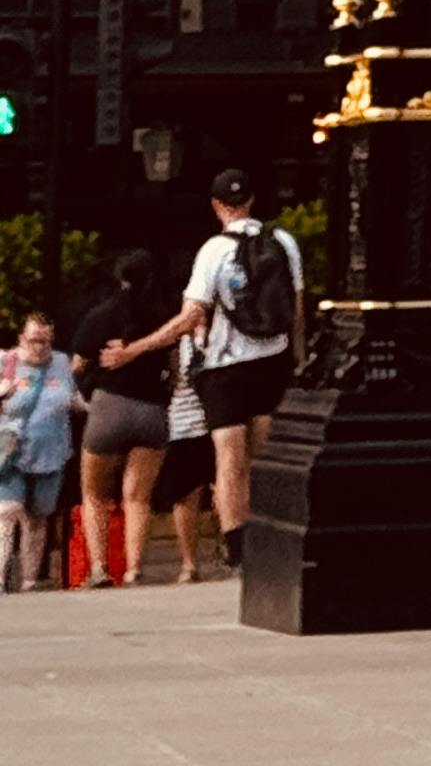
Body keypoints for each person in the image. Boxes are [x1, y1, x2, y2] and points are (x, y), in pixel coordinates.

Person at [100, 168, 303, 576]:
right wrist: (298, 358)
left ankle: (239, 549)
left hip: (226, 368)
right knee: (264, 457)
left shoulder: (213, 251)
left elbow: (189, 317)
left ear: (216, 206)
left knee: (229, 458)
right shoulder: (283, 241)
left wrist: (135, 350)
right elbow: (297, 308)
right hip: (273, 361)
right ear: (252, 201)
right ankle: (273, 535)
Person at [72, 247, 178, 590]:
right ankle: (134, 569)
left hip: (108, 407)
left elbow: (77, 365)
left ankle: (100, 568)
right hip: (151, 410)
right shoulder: (162, 317)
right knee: (138, 497)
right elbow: (175, 366)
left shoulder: (100, 315)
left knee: (94, 495)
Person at [0, 308, 80, 592]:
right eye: (34, 340)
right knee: (8, 512)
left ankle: (30, 580)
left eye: (45, 341)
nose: (39, 347)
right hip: (11, 453)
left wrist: (97, 409)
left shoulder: (60, 362)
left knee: (37, 517)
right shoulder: (5, 361)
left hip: (52, 453)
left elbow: (72, 398)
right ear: (22, 338)